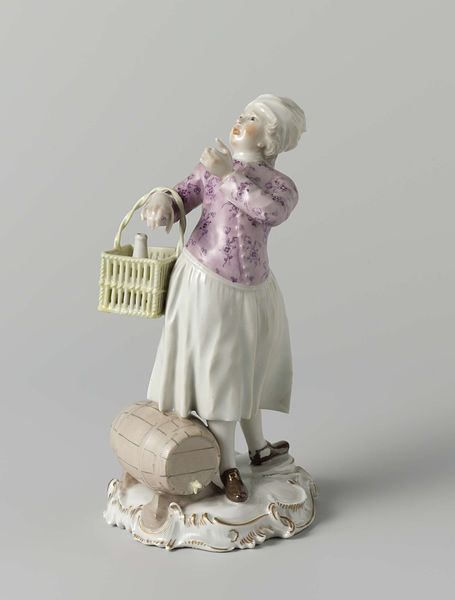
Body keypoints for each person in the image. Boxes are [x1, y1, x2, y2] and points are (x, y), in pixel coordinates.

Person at [141, 94, 306, 503]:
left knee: (250, 370)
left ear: (269, 139)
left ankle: (258, 449)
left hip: (254, 288)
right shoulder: (213, 167)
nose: (239, 120)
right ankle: (226, 466)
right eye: (241, 114)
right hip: (208, 281)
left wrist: (228, 175)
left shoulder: (280, 186)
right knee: (221, 374)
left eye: (252, 119)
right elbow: (185, 193)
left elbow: (268, 212)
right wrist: (164, 201)